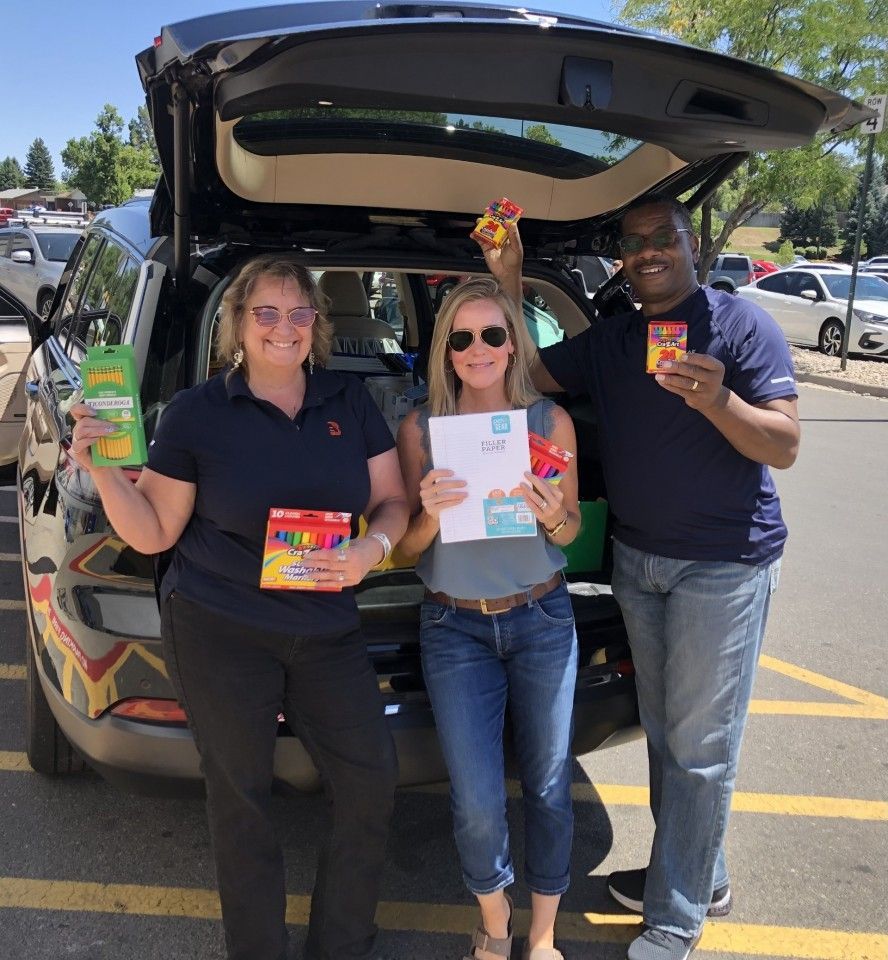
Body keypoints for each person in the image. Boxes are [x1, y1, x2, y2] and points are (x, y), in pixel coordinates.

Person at [69, 255, 409, 960]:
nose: (282, 329)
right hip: (221, 629)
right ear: (238, 325)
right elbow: (155, 530)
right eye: (266, 313)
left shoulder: (348, 403)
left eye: (298, 313)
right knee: (242, 803)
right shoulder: (197, 413)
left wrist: (368, 550)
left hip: (325, 628)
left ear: (316, 325)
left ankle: (340, 948)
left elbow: (394, 501)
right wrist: (103, 469)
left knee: (371, 781)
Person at [485, 199, 799, 960]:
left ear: (694, 244)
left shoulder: (738, 325)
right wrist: (510, 276)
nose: (649, 251)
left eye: (665, 238)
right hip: (639, 560)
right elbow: (522, 371)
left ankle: (676, 918)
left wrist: (717, 399)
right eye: (634, 242)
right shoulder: (615, 338)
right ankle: (703, 874)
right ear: (621, 257)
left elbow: (784, 445)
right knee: (670, 737)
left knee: (699, 749)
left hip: (723, 565)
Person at [397, 278, 581, 960]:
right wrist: (429, 515)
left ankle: (542, 937)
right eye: (462, 337)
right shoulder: (420, 430)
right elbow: (406, 552)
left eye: (493, 335)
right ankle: (495, 923)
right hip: (455, 629)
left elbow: (570, 530)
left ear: (513, 345)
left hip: (539, 617)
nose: (479, 349)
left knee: (550, 787)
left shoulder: (547, 425)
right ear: (446, 350)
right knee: (476, 801)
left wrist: (552, 512)